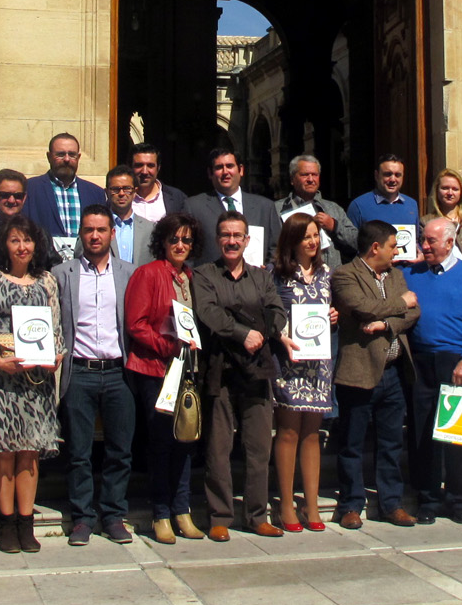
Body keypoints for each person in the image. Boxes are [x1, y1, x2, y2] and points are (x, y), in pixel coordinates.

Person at [192, 211, 291, 540]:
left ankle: (256, 515)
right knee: (218, 447)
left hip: (256, 368)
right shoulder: (204, 275)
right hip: (220, 369)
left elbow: (277, 313)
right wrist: (243, 332)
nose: (232, 241)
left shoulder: (262, 277)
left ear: (248, 240)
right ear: (217, 239)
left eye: (238, 235)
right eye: (226, 235)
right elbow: (208, 312)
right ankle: (219, 516)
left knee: (258, 447)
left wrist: (256, 331)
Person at [0, 216, 65, 552]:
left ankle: (26, 524)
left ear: (36, 245)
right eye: (15, 240)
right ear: (5, 245)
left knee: (29, 452)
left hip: (36, 380)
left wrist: (57, 354)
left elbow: (55, 326)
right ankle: (7, 524)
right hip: (0, 378)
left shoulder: (47, 281)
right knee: (4, 452)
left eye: (27, 240)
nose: (22, 247)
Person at [55, 205, 138, 546]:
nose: (94, 236)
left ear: (112, 233)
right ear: (81, 233)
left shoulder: (129, 273)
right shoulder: (63, 273)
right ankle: (82, 518)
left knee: (120, 450)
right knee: (78, 452)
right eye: (88, 230)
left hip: (119, 373)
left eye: (101, 230)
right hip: (80, 371)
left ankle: (114, 515)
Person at [330, 220, 420, 529]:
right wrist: (399, 303)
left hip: (393, 373)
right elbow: (362, 307)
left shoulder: (396, 275)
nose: (397, 252)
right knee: (352, 443)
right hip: (358, 372)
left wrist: (387, 324)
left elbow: (414, 312)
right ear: (375, 247)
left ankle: (391, 503)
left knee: (391, 443)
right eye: (393, 246)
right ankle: (351, 505)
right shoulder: (344, 275)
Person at [124, 211, 206, 543]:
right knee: (161, 442)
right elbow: (136, 324)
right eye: (174, 239)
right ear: (163, 241)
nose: (180, 245)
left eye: (186, 239)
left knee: (186, 440)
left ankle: (182, 509)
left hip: (187, 370)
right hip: (156, 369)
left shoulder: (192, 276)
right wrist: (166, 346)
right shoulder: (148, 273)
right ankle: (160, 513)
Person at [407, 218, 462, 524]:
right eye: (423, 240)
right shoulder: (410, 274)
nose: (424, 245)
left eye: (430, 241)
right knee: (422, 433)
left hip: (458, 363)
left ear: (449, 242)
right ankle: (428, 499)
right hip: (421, 362)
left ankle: (459, 501)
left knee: (459, 435)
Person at [270, 214, 336, 531]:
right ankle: (286, 503)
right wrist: (279, 334)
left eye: (315, 235)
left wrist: (334, 315)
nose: (312, 242)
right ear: (292, 240)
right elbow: (268, 314)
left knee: (312, 434)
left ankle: (311, 505)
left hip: (318, 364)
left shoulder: (327, 273)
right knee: (288, 432)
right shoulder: (276, 274)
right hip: (289, 362)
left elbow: (333, 308)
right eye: (306, 236)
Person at [187, 148, 280, 266]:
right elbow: (187, 251)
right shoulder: (194, 207)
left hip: (256, 276)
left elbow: (276, 248)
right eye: (219, 167)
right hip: (209, 276)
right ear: (210, 173)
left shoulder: (265, 207)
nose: (225, 172)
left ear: (241, 170)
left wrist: (267, 270)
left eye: (230, 166)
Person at [23, 132, 104, 263]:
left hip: (85, 267)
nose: (66, 159)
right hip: (42, 267)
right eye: (60, 154)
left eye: (72, 154)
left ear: (78, 157)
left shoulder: (95, 193)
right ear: (49, 157)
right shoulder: (30, 189)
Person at [276, 153, 358, 267]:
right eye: (305, 175)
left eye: (314, 174)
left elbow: (356, 243)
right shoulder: (278, 209)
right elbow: (273, 247)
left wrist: (334, 226)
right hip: (294, 274)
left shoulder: (334, 209)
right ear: (292, 179)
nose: (310, 179)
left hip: (332, 275)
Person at [423, 168, 462, 264]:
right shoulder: (426, 222)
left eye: (455, 189)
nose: (450, 193)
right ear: (437, 191)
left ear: (461, 193)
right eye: (445, 188)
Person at [347, 154, 421, 232]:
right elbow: (350, 238)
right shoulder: (359, 206)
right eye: (387, 174)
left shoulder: (411, 204)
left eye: (397, 175)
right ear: (376, 175)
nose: (393, 179)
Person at [102, 165, 155, 265]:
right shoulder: (96, 228)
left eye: (127, 188)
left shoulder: (150, 229)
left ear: (135, 192)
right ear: (107, 192)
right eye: (115, 189)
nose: (121, 193)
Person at [129, 143, 187, 223]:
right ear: (130, 167)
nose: (145, 172)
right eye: (139, 165)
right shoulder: (121, 197)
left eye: (150, 165)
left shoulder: (177, 198)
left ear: (158, 168)